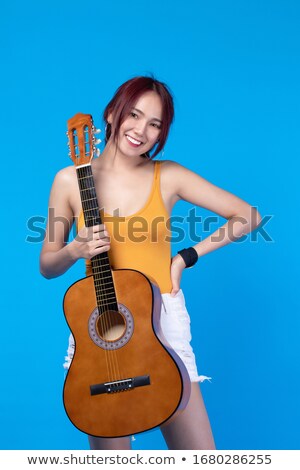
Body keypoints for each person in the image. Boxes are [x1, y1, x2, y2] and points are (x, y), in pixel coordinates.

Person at [40, 75, 261, 450]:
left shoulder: (168, 175)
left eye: (154, 124)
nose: (141, 130)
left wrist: (184, 259)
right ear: (112, 114)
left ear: (161, 133)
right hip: (101, 326)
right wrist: (73, 250)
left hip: (161, 322)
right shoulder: (69, 180)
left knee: (199, 456)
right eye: (134, 115)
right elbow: (47, 264)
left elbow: (247, 216)